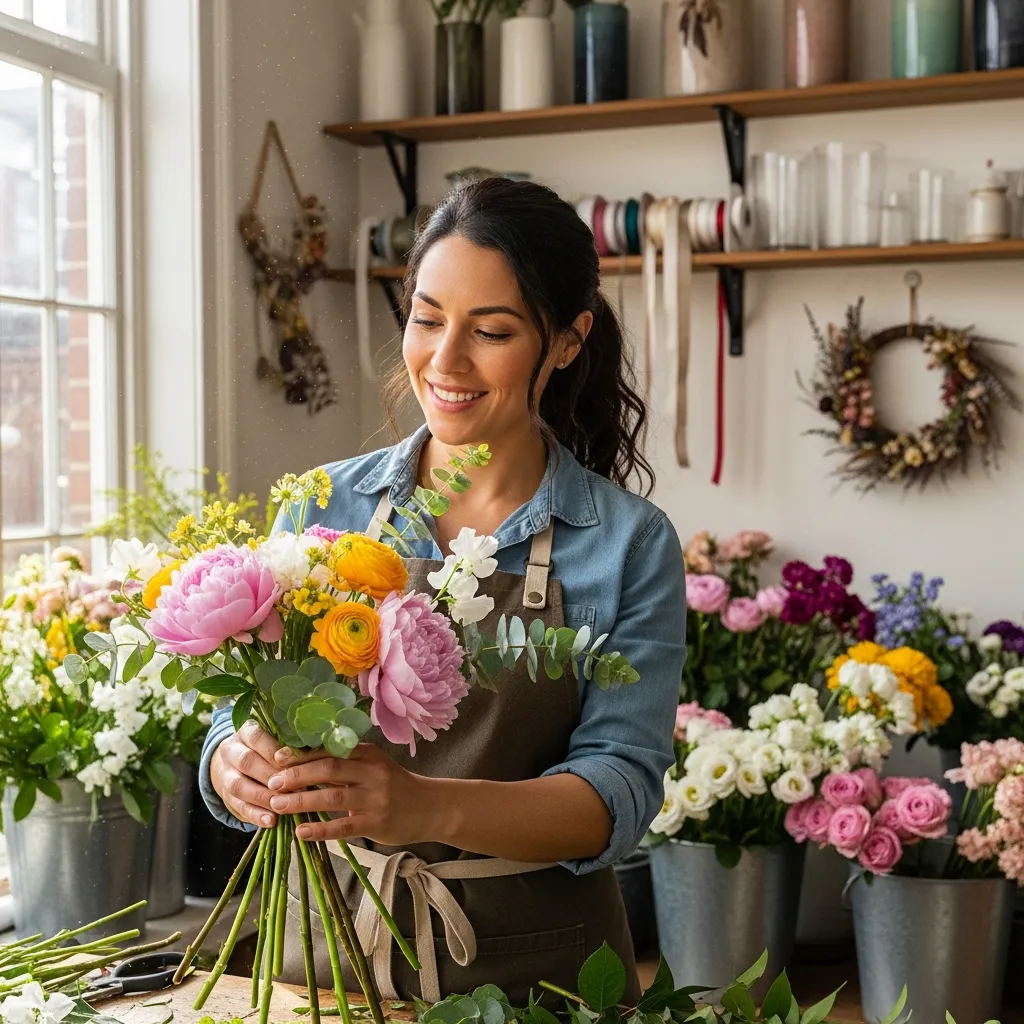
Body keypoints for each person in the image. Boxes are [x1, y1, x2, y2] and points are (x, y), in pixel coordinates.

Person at [200, 178, 687, 1005]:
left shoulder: (627, 544)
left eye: (490, 331)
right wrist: (231, 764)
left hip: (541, 975)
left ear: (567, 342)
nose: (444, 361)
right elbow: (240, 708)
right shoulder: (324, 506)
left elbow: (618, 794)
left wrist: (421, 806)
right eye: (427, 319)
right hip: (322, 962)